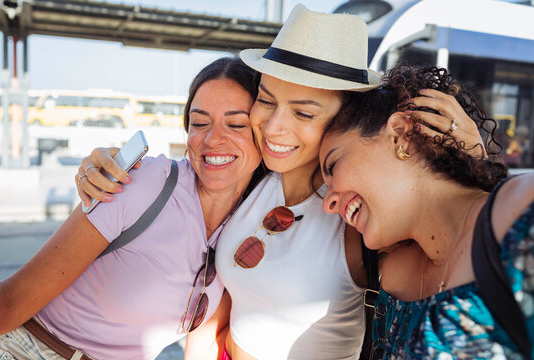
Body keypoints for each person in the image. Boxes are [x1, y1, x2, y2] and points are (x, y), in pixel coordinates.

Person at [75, 6, 486, 359]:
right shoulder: (253, 176)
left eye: (303, 114)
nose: (273, 126)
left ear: (344, 120)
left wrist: (469, 161)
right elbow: (218, 294)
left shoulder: (360, 218)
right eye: (267, 101)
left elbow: (458, 254)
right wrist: (103, 165)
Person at [0, 56, 262, 360]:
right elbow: (11, 301)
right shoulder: (145, 182)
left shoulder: (248, 226)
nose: (213, 139)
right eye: (199, 123)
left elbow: (203, 344)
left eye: (236, 123)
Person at [320, 65, 534, 359]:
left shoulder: (520, 213)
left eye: (332, 166)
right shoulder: (392, 279)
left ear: (400, 133)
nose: (327, 203)